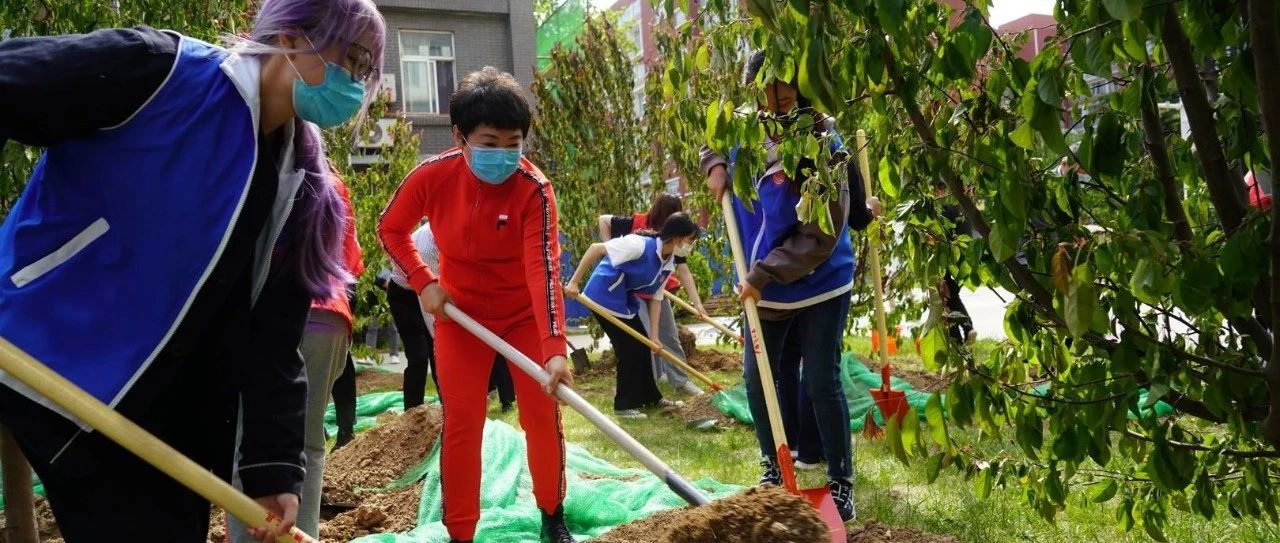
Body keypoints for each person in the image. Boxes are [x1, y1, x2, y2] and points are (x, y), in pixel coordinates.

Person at [0, 1, 385, 541]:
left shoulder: (301, 188)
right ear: (293, 38)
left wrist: (271, 470)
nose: (356, 83)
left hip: (151, 422)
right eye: (354, 58)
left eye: (366, 72)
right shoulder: (160, 71)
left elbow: (273, 342)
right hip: (37, 354)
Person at [378, 66, 576, 543]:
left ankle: (552, 512)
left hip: (523, 318)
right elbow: (391, 228)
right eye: (489, 142)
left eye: (514, 143)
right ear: (460, 137)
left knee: (540, 416)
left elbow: (543, 270)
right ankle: (461, 532)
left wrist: (553, 347)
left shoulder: (535, 191)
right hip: (460, 319)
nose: (503, 155)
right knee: (463, 422)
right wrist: (424, 281)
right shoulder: (433, 176)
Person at [700, 50, 880, 522]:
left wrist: (763, 274)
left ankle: (841, 482)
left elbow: (823, 232)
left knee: (820, 377)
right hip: (761, 282)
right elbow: (712, 135)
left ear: (800, 87)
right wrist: (715, 162)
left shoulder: (823, 138)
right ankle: (773, 470)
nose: (775, 97)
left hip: (820, 278)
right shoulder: (745, 128)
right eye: (765, 87)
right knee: (758, 378)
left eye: (784, 87)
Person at [230, 173, 364, 541]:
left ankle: (249, 536)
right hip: (328, 319)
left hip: (265, 315)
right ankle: (300, 535)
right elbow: (350, 264)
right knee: (309, 441)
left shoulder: (257, 170)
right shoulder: (335, 185)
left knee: (247, 436)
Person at [565, 213, 699, 419]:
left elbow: (657, 297)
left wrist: (654, 336)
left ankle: (651, 398)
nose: (691, 245)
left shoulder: (668, 260)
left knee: (643, 346)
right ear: (678, 237)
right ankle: (624, 405)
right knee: (628, 350)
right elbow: (595, 249)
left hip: (623, 301)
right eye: (690, 240)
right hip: (602, 296)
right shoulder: (638, 244)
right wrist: (574, 282)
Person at [598, 194, 706, 396]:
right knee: (645, 337)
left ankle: (681, 381)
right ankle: (653, 383)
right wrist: (611, 252)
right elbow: (603, 220)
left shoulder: (675, 239)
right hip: (633, 292)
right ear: (663, 213)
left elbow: (683, 270)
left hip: (656, 289)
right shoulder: (638, 225)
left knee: (668, 336)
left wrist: (697, 304)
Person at [386, 221, 441, 408]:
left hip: (427, 290)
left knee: (438, 354)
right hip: (405, 296)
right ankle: (412, 415)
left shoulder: (449, 235)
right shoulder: (428, 248)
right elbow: (430, 306)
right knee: (420, 355)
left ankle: (448, 411)